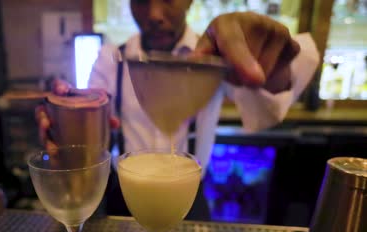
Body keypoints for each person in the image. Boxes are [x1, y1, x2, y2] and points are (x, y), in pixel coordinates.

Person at [36, 0, 319, 218]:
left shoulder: (215, 57)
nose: (155, 15)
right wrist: (65, 119)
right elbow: (92, 118)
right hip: (125, 195)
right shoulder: (112, 58)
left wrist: (272, 65)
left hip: (188, 196)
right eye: (142, 0)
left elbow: (268, 100)